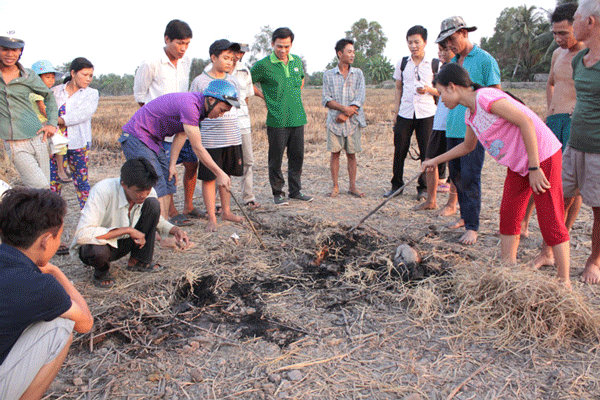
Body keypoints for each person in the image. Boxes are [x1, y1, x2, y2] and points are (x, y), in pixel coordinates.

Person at [422, 63, 571, 288]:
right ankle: (507, 271)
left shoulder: (485, 97)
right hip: (520, 163)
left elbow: (525, 121)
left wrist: (534, 168)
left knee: (550, 215)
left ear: (452, 87)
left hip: (541, 156)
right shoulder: (471, 115)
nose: (440, 99)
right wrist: (435, 160)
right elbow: (467, 147)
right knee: (509, 213)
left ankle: (564, 281)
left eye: (441, 92)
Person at [0, 188, 93, 398]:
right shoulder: (39, 286)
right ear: (45, 240)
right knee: (61, 325)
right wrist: (54, 270)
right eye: (59, 237)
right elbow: (85, 323)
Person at [535, 0, 600, 284]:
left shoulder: (592, 57)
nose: (565, 32)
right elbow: (557, 85)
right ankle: (549, 248)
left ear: (590, 23)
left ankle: (592, 260)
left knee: (592, 204)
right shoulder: (573, 60)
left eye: (574, 21)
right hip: (567, 134)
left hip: (592, 141)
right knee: (557, 192)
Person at [119, 79, 238, 230]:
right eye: (221, 110)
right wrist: (219, 173)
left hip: (152, 140)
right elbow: (198, 148)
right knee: (157, 182)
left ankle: (164, 224)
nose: (220, 115)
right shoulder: (191, 106)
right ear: (212, 99)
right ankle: (159, 231)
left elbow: (181, 134)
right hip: (137, 136)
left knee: (169, 179)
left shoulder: (199, 108)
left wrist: (172, 164)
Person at [71, 158, 191, 288]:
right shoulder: (102, 190)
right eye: (139, 191)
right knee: (97, 251)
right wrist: (128, 230)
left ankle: (139, 261)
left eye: (147, 190)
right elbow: (83, 234)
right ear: (124, 184)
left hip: (126, 241)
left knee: (153, 204)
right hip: (100, 247)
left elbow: (156, 219)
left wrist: (175, 230)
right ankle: (101, 271)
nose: (143, 195)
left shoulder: (147, 191)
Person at [435, 16, 501, 245]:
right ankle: (464, 217)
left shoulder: (485, 60)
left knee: (471, 176)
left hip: (473, 128)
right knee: (456, 175)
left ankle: (473, 226)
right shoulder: (452, 62)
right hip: (452, 126)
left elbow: (495, 95)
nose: (449, 45)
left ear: (464, 33)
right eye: (445, 42)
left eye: (452, 39)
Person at [521, 3, 585, 237]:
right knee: (537, 170)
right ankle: (525, 222)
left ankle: (562, 233)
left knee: (570, 183)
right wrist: (549, 110)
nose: (558, 39)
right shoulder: (558, 54)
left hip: (574, 123)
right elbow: (550, 83)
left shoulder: (589, 55)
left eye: (563, 33)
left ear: (577, 26)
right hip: (553, 121)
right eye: (554, 33)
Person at [134, 19, 195, 227]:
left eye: (187, 43)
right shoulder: (151, 63)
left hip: (179, 128)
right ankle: (168, 213)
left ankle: (181, 207)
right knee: (162, 171)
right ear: (167, 39)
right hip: (158, 130)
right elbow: (141, 96)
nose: (183, 48)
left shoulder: (186, 62)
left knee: (184, 165)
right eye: (179, 43)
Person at [251, 27, 312, 205]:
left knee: (297, 156)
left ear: (291, 45)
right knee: (276, 158)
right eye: (279, 46)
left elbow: (300, 79)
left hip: (297, 117)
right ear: (272, 44)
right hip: (277, 120)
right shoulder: (263, 65)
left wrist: (294, 93)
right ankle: (278, 193)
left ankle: (295, 191)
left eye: (286, 46)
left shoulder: (296, 62)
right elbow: (248, 81)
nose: (283, 50)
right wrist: (264, 96)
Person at [189, 39, 244, 232]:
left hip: (231, 135)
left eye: (232, 59)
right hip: (210, 138)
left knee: (226, 174)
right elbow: (193, 109)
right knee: (210, 177)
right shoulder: (200, 82)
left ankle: (226, 211)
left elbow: (237, 106)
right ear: (213, 58)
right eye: (226, 58)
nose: (230, 62)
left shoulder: (232, 80)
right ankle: (212, 216)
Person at [386, 25, 438, 201]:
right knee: (399, 149)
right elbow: (398, 88)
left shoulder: (434, 64)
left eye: (417, 42)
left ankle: (423, 188)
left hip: (427, 112)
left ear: (425, 42)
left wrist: (428, 89)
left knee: (426, 151)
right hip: (405, 112)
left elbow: (441, 91)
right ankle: (396, 185)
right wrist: (396, 112)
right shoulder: (402, 63)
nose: (413, 46)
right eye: (410, 42)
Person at [0, 31, 57, 189]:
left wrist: (52, 123)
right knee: (40, 186)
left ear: (20, 52)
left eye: (14, 50)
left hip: (39, 137)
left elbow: (49, 96)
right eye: (5, 49)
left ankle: (41, 214)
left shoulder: (28, 75)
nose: (10, 54)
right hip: (14, 143)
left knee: (43, 190)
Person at [413, 43, 458, 213]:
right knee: (430, 159)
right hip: (439, 121)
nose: (442, 53)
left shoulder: (458, 69)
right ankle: (431, 200)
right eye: (440, 50)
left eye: (446, 49)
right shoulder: (440, 68)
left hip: (455, 121)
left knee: (454, 164)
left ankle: (452, 203)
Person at [50, 57, 99, 210]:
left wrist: (54, 120)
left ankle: (89, 218)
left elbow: (81, 115)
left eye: (90, 75)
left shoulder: (91, 93)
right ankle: (50, 218)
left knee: (82, 183)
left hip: (78, 143)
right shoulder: (55, 91)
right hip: (56, 145)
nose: (88, 79)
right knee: (53, 183)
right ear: (73, 73)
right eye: (84, 75)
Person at [322, 38, 366, 198]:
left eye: (353, 52)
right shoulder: (328, 75)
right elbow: (326, 99)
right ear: (340, 54)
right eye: (349, 51)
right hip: (335, 121)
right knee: (335, 153)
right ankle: (335, 187)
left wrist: (348, 112)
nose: (352, 55)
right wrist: (342, 109)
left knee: (352, 154)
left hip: (353, 121)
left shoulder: (358, 74)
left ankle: (352, 186)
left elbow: (361, 96)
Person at [30, 60, 71, 183]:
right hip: (43, 123)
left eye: (52, 77)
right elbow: (43, 110)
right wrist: (53, 120)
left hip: (40, 123)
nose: (51, 80)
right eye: (47, 77)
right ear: (36, 79)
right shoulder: (37, 93)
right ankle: (61, 170)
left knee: (50, 149)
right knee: (60, 144)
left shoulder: (45, 93)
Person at [231, 43, 261, 209]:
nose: (237, 56)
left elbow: (247, 97)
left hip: (242, 122)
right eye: (235, 51)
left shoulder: (245, 71)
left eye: (241, 53)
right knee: (224, 162)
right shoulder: (217, 69)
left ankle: (248, 197)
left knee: (248, 161)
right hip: (223, 123)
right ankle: (218, 202)